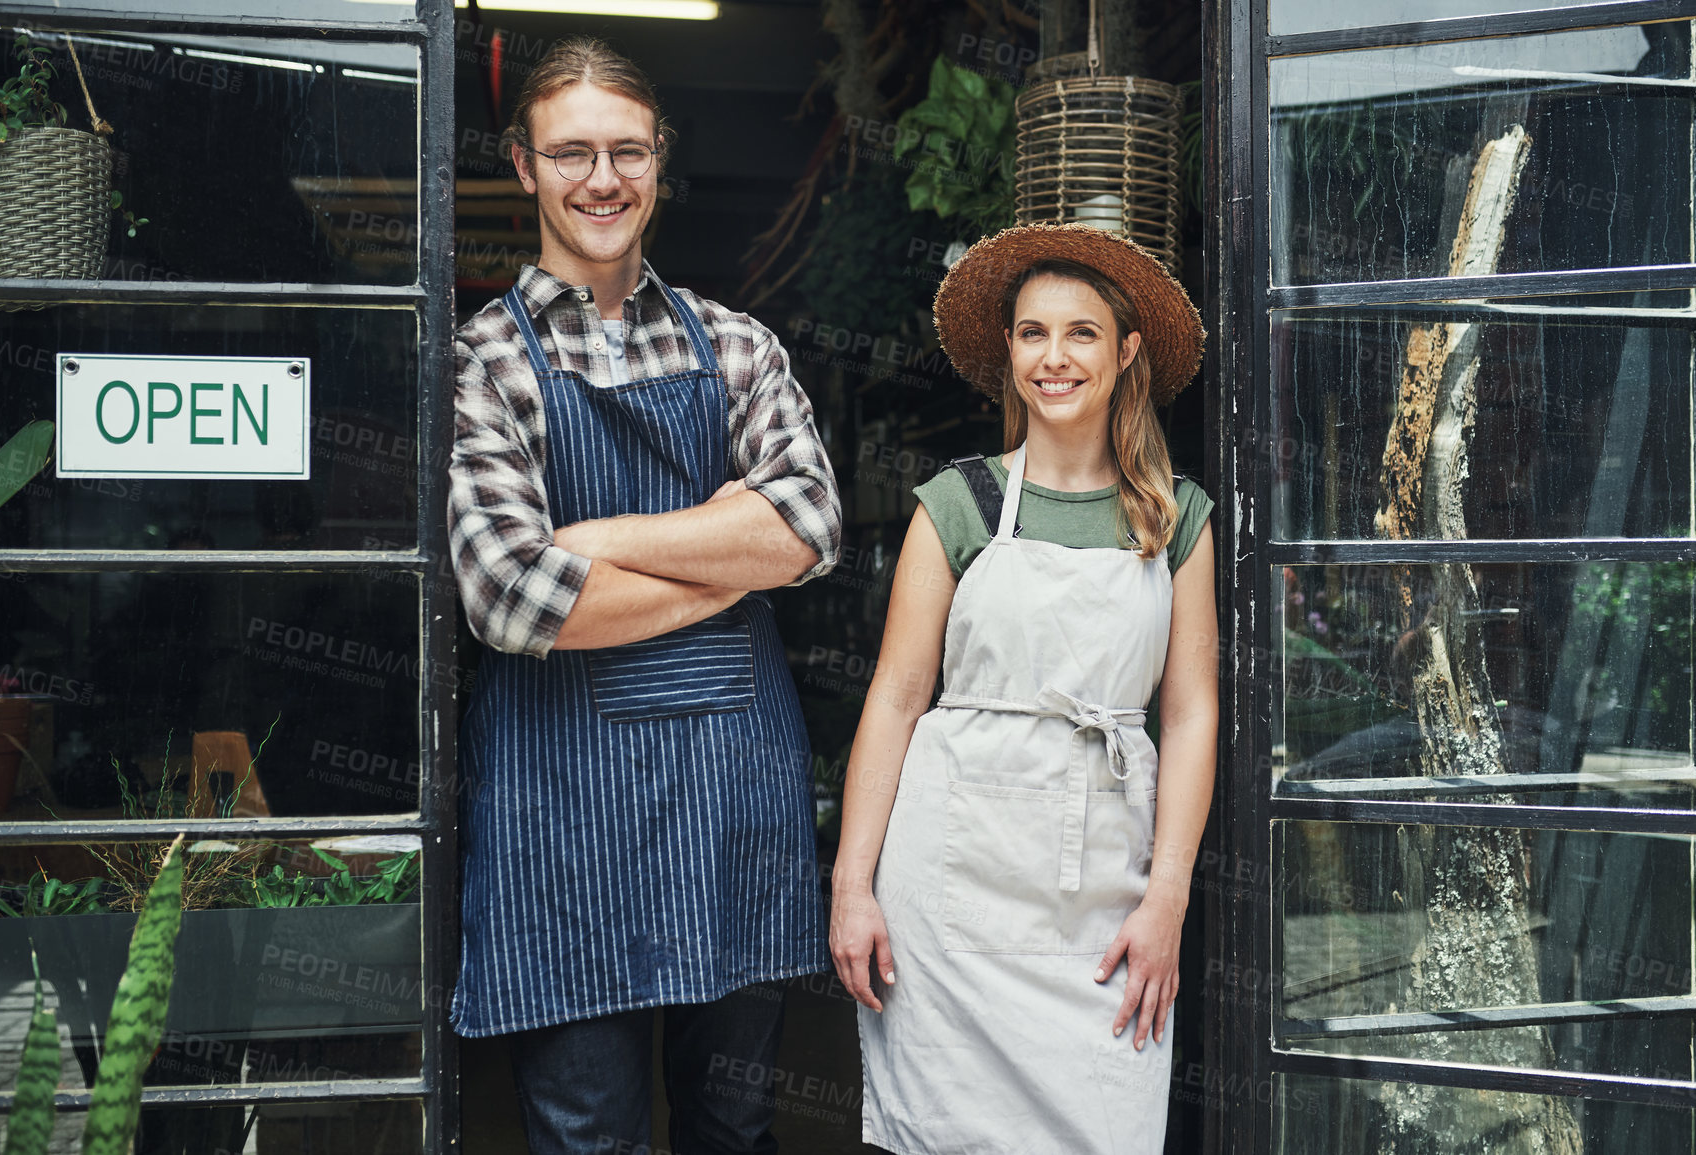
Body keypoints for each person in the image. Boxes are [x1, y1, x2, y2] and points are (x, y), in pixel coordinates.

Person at [445, 37, 841, 1155]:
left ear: (661, 162)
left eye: (628, 151)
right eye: (572, 154)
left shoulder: (739, 345)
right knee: (587, 1136)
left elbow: (808, 529)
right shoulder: (476, 364)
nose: (603, 179)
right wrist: (725, 566)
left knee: (737, 1122)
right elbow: (517, 599)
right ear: (523, 165)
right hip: (559, 815)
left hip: (730, 800)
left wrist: (604, 543)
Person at [829, 223, 1219, 1153]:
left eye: (1081, 333)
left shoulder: (1177, 518)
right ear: (1008, 352)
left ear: (1126, 353)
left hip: (1105, 893)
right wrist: (852, 884)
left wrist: (1167, 898)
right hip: (950, 883)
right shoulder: (955, 503)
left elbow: (1191, 710)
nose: (1054, 357)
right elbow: (893, 697)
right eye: (1032, 333)